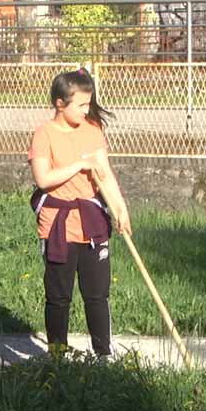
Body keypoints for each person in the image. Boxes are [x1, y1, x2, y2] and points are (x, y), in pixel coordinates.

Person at [28, 69, 131, 359]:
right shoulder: (44, 135)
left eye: (89, 104)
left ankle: (103, 355)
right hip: (57, 225)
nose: (87, 111)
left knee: (97, 294)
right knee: (59, 296)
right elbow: (43, 179)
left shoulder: (92, 130)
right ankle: (57, 357)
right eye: (81, 105)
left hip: (92, 222)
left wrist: (120, 209)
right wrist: (78, 166)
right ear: (60, 103)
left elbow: (105, 175)